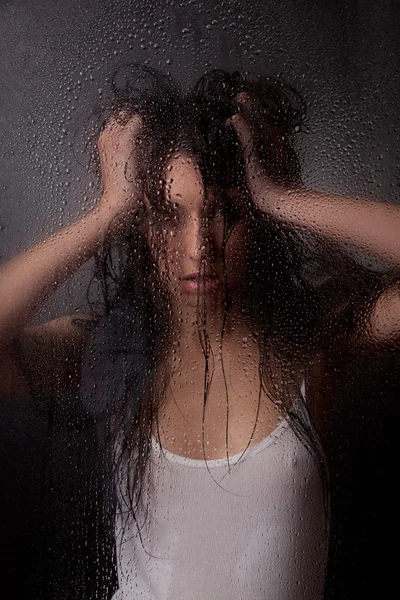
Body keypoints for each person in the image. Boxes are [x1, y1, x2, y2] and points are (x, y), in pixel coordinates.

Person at [0, 65, 399, 599]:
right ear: (140, 226)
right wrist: (108, 211)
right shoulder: (111, 350)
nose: (197, 247)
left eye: (222, 214)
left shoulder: (305, 342)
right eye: (169, 214)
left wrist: (279, 199)